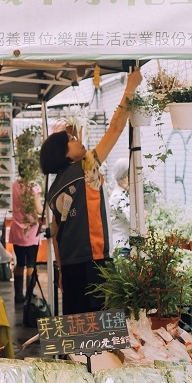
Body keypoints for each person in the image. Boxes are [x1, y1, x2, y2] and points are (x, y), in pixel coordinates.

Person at [39, 66, 142, 315]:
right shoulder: (85, 167)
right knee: (101, 328)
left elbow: (56, 232)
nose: (78, 140)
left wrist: (61, 269)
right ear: (65, 154)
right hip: (93, 263)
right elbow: (116, 127)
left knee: (77, 328)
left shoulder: (54, 188)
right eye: (71, 140)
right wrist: (131, 86)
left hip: (71, 267)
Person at [9, 175, 43, 304]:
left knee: (20, 263)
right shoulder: (34, 187)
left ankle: (18, 295)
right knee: (31, 263)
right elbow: (39, 210)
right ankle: (29, 296)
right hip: (31, 230)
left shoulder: (14, 186)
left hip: (17, 229)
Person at [108, 158, 131, 254]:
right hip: (121, 247)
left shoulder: (123, 194)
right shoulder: (118, 197)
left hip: (124, 244)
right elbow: (132, 220)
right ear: (124, 176)